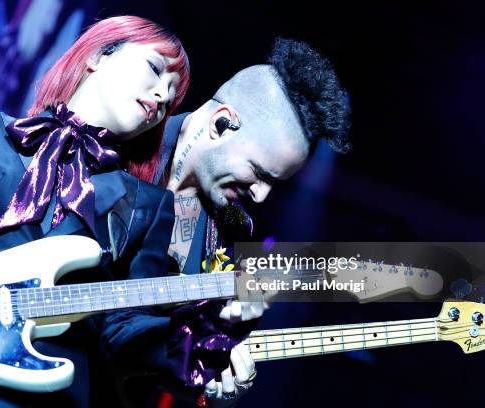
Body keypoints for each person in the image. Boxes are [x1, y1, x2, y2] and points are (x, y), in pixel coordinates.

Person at [0, 15, 220, 407]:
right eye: (155, 71)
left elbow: (126, 329)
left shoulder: (149, 205)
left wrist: (200, 344)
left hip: (48, 390)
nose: (161, 97)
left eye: (171, 97)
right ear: (99, 56)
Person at [113, 37, 353, 407]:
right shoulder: (116, 145)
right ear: (221, 123)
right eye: (259, 173)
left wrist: (214, 384)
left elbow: (158, 362)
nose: (261, 195)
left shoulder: (226, 241)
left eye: (276, 183)